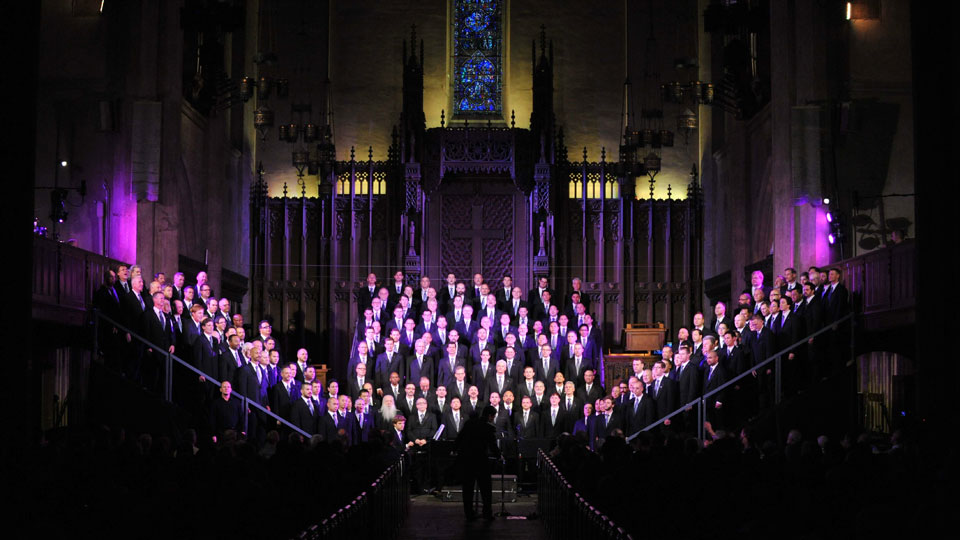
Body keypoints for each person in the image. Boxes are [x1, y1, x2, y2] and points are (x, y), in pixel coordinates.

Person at [455, 405, 501, 521]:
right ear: (490, 416)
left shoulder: (469, 423)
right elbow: (493, 446)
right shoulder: (488, 427)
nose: (493, 419)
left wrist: (456, 451)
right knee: (485, 489)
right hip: (481, 461)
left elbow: (459, 439)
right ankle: (487, 513)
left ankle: (469, 513)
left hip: (467, 461)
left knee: (468, 489)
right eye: (493, 417)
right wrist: (499, 455)